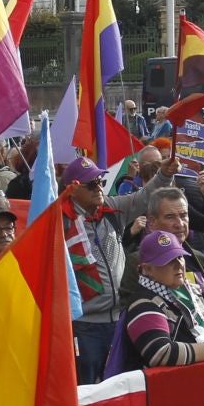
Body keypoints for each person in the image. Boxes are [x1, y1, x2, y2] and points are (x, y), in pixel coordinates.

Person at [122, 231, 204, 368]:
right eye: (168, 260)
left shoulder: (190, 289)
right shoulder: (143, 303)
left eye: (180, 257)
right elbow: (160, 354)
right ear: (148, 269)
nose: (178, 265)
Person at [63, 156, 127, 383]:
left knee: (119, 387)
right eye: (92, 184)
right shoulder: (61, 224)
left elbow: (144, 198)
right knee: (87, 389)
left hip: (118, 321)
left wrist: (165, 175)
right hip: (84, 326)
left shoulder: (110, 211)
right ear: (73, 190)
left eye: (100, 181)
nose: (99, 188)